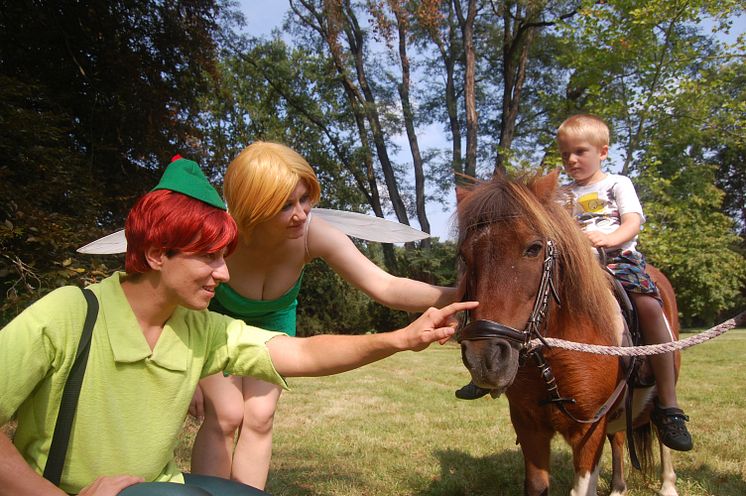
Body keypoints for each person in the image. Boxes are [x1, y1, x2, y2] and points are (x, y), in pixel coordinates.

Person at [0, 156, 477, 496]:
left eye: (305, 200)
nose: (224, 271)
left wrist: (405, 335)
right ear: (155, 255)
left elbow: (309, 349)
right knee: (224, 415)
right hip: (80, 481)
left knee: (256, 435)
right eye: (210, 257)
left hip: (172, 457)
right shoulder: (70, 314)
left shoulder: (209, 322)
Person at [188, 141, 459, 489]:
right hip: (213, 322)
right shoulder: (220, 237)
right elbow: (179, 295)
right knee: (226, 415)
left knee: (259, 417)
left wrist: (459, 293)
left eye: (304, 199)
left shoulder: (312, 234)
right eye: (286, 206)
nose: (301, 213)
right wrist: (191, 374)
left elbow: (387, 287)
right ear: (253, 208)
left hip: (274, 323)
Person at [555, 113, 692, 451]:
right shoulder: (561, 195)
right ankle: (516, 384)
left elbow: (633, 222)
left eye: (580, 151)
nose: (571, 160)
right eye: (565, 154)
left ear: (602, 152)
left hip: (618, 260)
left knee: (647, 304)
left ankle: (668, 404)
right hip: (575, 267)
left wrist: (610, 237)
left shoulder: (618, 184)